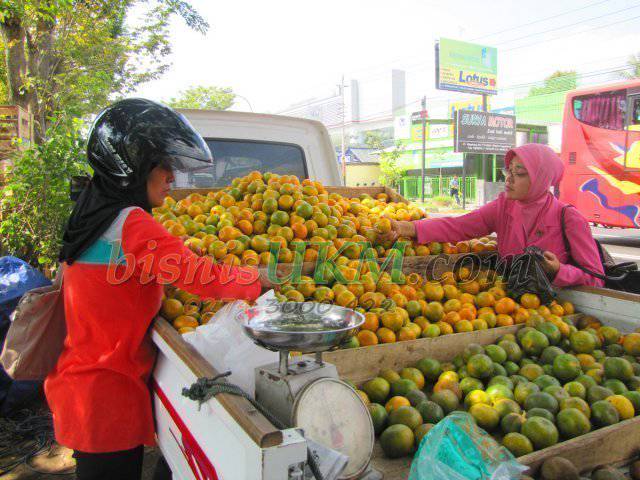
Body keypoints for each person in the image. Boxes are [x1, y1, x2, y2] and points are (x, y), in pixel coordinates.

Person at [45, 99, 262, 480]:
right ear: (135, 167)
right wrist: (257, 280)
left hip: (82, 381)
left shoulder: (93, 212)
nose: (172, 178)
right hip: (109, 394)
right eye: (164, 165)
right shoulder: (131, 223)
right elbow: (201, 277)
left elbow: (129, 274)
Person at [378, 143, 605, 287]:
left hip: (557, 318)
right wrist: (405, 227)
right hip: (508, 309)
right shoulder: (504, 206)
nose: (509, 178)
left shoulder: (569, 219)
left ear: (542, 178)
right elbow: (458, 226)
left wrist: (559, 271)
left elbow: (596, 278)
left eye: (520, 173)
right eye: (509, 170)